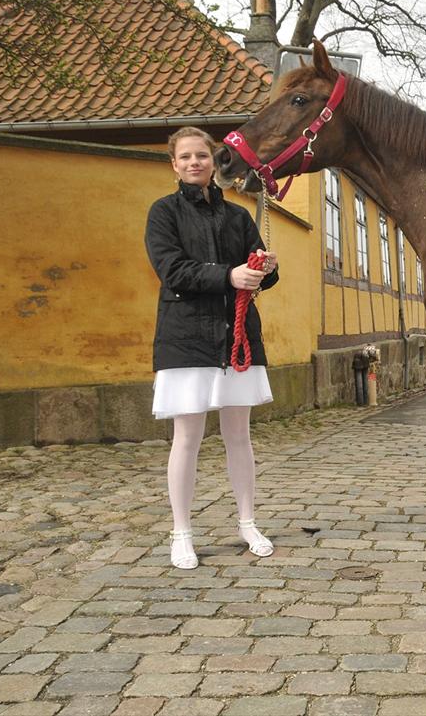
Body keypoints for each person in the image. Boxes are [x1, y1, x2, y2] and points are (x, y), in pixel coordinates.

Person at [144, 126, 280, 569]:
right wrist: (229, 276)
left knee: (240, 437)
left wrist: (266, 268)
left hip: (236, 337)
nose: (194, 163)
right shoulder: (163, 213)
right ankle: (181, 533)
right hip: (186, 338)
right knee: (188, 438)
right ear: (174, 164)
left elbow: (259, 275)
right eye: (185, 157)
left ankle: (247, 522)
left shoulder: (239, 217)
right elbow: (173, 271)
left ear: (212, 161)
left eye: (201, 155)